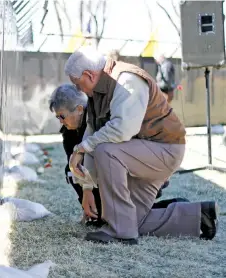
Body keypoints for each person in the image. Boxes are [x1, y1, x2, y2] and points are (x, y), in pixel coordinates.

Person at [63, 46, 218, 244]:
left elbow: (122, 129)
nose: (78, 89)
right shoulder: (98, 91)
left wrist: (80, 148)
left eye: (77, 84)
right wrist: (86, 187)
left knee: (106, 150)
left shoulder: (127, 80)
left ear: (89, 75)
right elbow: (92, 132)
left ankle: (122, 233)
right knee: (130, 219)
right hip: (145, 153)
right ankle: (199, 217)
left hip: (165, 150)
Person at [49, 84, 189, 228]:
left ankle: (181, 210)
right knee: (71, 170)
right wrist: (86, 195)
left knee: (124, 220)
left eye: (62, 116)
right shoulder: (69, 132)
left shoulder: (100, 117)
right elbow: (77, 167)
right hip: (106, 177)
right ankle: (97, 211)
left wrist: (88, 188)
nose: (61, 121)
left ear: (79, 109)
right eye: (58, 117)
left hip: (134, 174)